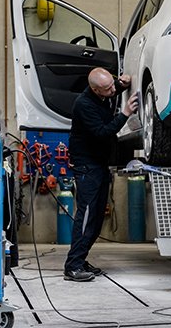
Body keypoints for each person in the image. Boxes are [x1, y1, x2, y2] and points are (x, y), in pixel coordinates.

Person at [63, 67, 139, 282]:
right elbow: (102, 132)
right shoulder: (84, 105)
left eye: (112, 85)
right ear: (95, 90)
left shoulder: (106, 87)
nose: (112, 90)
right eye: (108, 89)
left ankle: (81, 258)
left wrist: (122, 82)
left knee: (96, 218)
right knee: (86, 217)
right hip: (87, 166)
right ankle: (73, 266)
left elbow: (114, 85)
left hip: (99, 164)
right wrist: (125, 113)